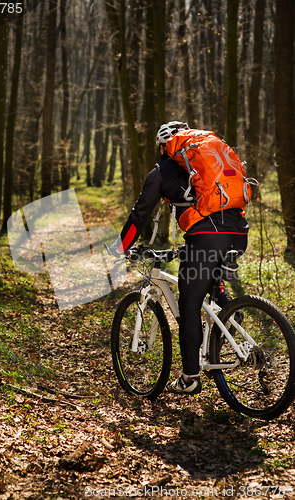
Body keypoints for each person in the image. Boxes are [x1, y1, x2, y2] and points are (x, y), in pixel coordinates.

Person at [108, 121, 249, 395]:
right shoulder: (203, 165)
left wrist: (121, 247)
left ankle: (190, 378)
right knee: (211, 282)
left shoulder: (161, 171)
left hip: (208, 234)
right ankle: (231, 316)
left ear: (164, 146)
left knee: (189, 304)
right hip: (238, 231)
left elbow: (140, 214)